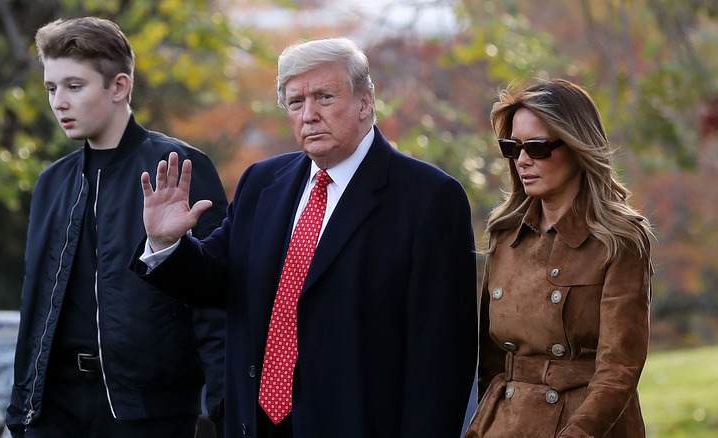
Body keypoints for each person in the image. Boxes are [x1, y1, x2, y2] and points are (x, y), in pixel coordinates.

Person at [132, 38, 478, 438]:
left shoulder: (428, 196)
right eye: (296, 103)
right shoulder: (262, 181)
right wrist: (166, 244)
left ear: (365, 101)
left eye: (324, 97)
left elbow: (440, 358)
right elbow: (218, 280)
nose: (309, 115)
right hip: (255, 422)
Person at [6, 17, 228, 438]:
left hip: (147, 414)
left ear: (119, 86)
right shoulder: (52, 182)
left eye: (74, 86)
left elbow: (216, 300)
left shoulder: (178, 167)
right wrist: (20, 414)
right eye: (51, 88)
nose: (58, 103)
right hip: (51, 410)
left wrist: (225, 410)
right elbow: (34, 304)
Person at [465, 79, 654, 438]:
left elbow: (620, 368)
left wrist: (578, 432)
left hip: (587, 424)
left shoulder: (619, 239)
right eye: (512, 147)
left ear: (578, 147)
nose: (522, 160)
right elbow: (491, 360)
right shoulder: (505, 234)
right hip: (505, 422)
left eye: (537, 147)